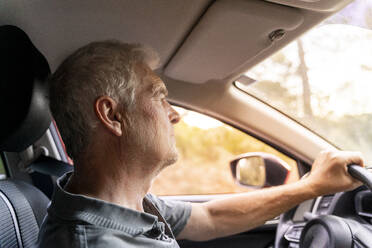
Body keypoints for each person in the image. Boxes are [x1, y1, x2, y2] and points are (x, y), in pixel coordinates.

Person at [37, 40, 364, 247]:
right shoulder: (97, 241)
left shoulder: (124, 203)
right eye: (160, 96)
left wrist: (310, 187)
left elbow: (210, 216)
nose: (174, 115)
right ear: (112, 115)